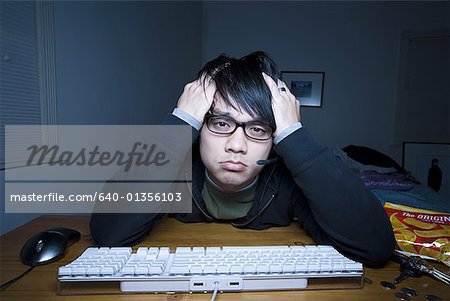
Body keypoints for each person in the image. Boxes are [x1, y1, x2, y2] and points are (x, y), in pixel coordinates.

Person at [90, 51, 395, 266]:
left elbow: (375, 247)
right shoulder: (174, 173)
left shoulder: (288, 182)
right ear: (199, 126)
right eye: (221, 124)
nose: (237, 145)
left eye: (258, 128)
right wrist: (179, 123)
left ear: (275, 139)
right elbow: (109, 233)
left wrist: (294, 135)